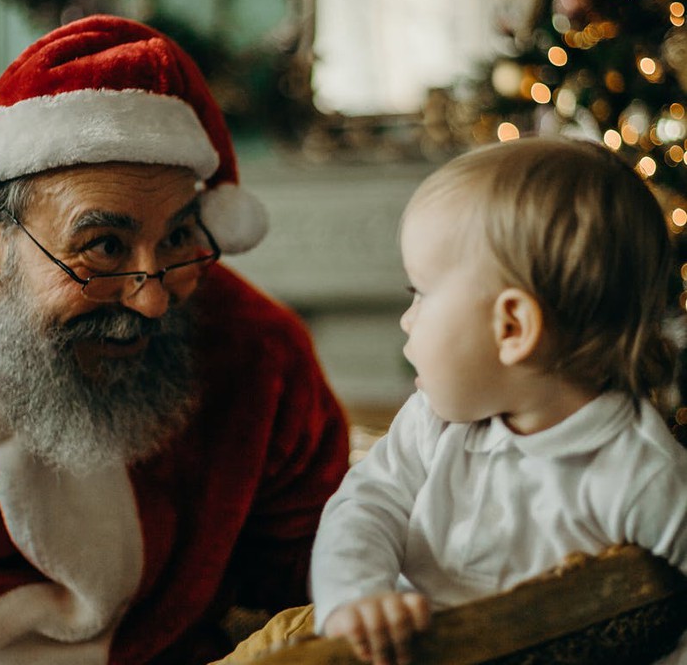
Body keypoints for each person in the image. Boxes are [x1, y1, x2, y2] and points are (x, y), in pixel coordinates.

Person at [0, 14, 349, 664]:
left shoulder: (260, 353)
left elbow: (322, 564)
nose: (153, 299)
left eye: (181, 238)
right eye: (103, 245)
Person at [218, 137, 687, 665]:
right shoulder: (433, 421)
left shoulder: (641, 476)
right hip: (380, 642)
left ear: (512, 327)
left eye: (420, 293)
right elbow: (364, 508)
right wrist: (355, 597)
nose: (407, 318)